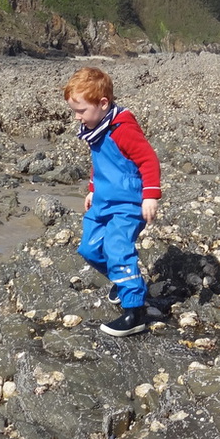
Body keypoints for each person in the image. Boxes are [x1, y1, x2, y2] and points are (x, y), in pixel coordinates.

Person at [63, 67, 161, 336]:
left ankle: (135, 311)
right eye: (74, 111)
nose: (77, 116)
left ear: (103, 103)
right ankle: (123, 278)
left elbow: (148, 160)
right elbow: (99, 164)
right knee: (89, 248)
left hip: (128, 204)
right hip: (103, 201)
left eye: (81, 110)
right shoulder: (95, 128)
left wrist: (150, 196)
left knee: (118, 248)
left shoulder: (123, 129)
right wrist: (92, 189)